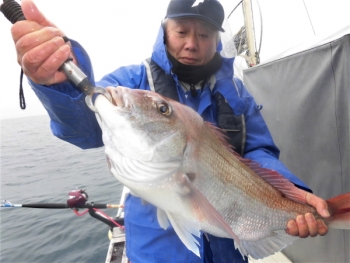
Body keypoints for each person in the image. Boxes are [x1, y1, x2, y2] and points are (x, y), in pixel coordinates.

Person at [12, 0, 330, 262]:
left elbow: (258, 151)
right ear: (164, 31)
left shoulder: (236, 92)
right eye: (181, 31)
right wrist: (60, 85)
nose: (192, 43)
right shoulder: (134, 82)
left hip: (230, 250)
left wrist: (291, 192)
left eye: (204, 34)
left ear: (217, 40)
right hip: (158, 252)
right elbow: (85, 126)